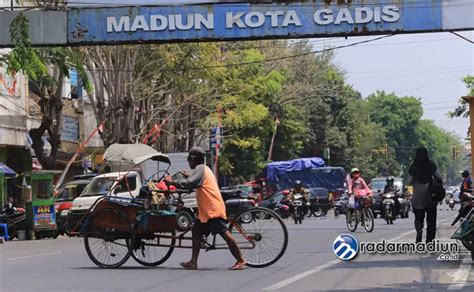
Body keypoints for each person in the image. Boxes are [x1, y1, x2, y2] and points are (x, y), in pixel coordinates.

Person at [165, 147, 246, 270]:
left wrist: (171, 182)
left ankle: (241, 259)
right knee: (196, 230)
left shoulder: (201, 169)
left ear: (193, 159)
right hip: (206, 211)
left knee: (225, 234)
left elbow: (189, 183)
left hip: (212, 209)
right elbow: (194, 182)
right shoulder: (203, 169)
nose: (188, 162)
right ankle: (193, 262)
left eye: (189, 159)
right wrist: (188, 177)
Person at [408, 146, 442, 243]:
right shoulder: (431, 165)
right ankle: (429, 241)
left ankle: (419, 229)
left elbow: (409, 181)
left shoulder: (413, 166)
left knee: (418, 217)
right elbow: (439, 177)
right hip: (430, 196)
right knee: (431, 220)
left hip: (417, 197)